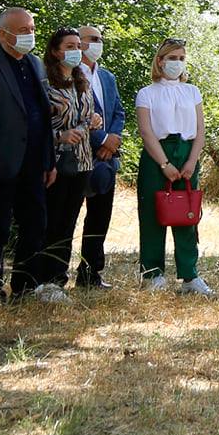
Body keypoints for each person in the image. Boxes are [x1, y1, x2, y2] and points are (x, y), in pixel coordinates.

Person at [0, 7, 57, 301]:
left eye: (32, 29)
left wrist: (49, 160)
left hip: (34, 162)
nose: (30, 35)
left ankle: (24, 286)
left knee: (35, 225)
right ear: (3, 35)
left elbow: (43, 116)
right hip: (0, 163)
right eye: (23, 31)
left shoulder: (35, 64)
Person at [135, 38, 212, 294]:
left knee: (187, 214)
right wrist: (164, 163)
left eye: (181, 58)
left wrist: (191, 161)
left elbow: (200, 130)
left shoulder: (192, 91)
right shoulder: (147, 93)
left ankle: (190, 275)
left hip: (187, 153)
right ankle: (153, 274)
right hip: (157, 154)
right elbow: (146, 132)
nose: (177, 63)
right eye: (172, 58)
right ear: (160, 61)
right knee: (152, 214)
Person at [33, 28, 100, 298]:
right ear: (55, 51)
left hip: (82, 162)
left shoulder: (81, 79)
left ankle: (58, 279)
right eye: (69, 46)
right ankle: (41, 279)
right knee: (51, 221)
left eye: (78, 46)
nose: (76, 51)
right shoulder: (44, 83)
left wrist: (94, 121)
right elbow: (34, 124)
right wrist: (59, 136)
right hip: (55, 162)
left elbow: (88, 115)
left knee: (68, 223)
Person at [74, 23, 127, 289]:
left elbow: (118, 111)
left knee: (100, 217)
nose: (98, 43)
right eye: (92, 39)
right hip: (76, 155)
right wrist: (103, 140)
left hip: (106, 160)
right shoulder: (69, 75)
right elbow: (75, 115)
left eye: (100, 39)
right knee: (67, 216)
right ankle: (55, 274)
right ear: (79, 42)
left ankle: (91, 272)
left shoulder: (107, 77)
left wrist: (112, 140)